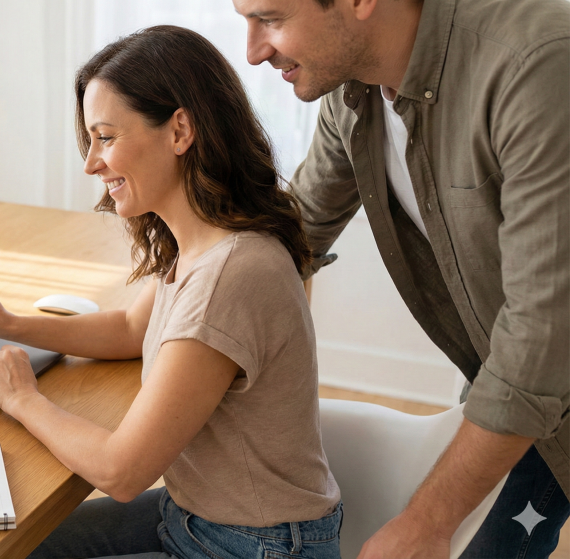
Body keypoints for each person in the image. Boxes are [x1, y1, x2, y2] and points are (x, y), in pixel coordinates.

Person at [0, 25, 342, 559]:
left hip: (249, 546)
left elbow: (122, 472)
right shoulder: (206, 240)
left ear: (179, 131)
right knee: (13, 545)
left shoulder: (232, 274)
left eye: (106, 137)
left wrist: (22, 398)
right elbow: (129, 328)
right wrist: (8, 324)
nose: (91, 163)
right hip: (199, 517)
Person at [231, 0, 570, 556]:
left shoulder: (535, 66)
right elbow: (290, 238)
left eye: (271, 18)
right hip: (509, 365)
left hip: (539, 361)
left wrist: (427, 522)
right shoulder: (354, 90)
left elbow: (542, 340)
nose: (254, 52)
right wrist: (145, 323)